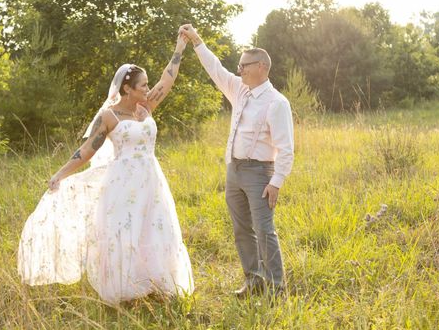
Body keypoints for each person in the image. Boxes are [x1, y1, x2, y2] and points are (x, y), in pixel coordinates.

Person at [17, 33, 194, 306]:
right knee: (126, 231)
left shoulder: (147, 106)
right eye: (143, 85)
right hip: (122, 182)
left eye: (148, 85)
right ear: (127, 89)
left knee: (156, 228)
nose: (148, 89)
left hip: (151, 179)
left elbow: (168, 79)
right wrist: (60, 174)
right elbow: (88, 150)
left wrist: (179, 48)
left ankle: (158, 284)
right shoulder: (109, 117)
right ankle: (128, 291)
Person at [179, 24, 294, 299]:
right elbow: (215, 68)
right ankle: (254, 280)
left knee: (265, 231)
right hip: (235, 169)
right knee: (242, 229)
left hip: (259, 173)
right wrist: (196, 41)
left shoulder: (276, 103)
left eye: (244, 65)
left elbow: (286, 148)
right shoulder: (239, 90)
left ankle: (276, 289)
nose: (239, 70)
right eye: (239, 65)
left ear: (262, 67)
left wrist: (276, 182)